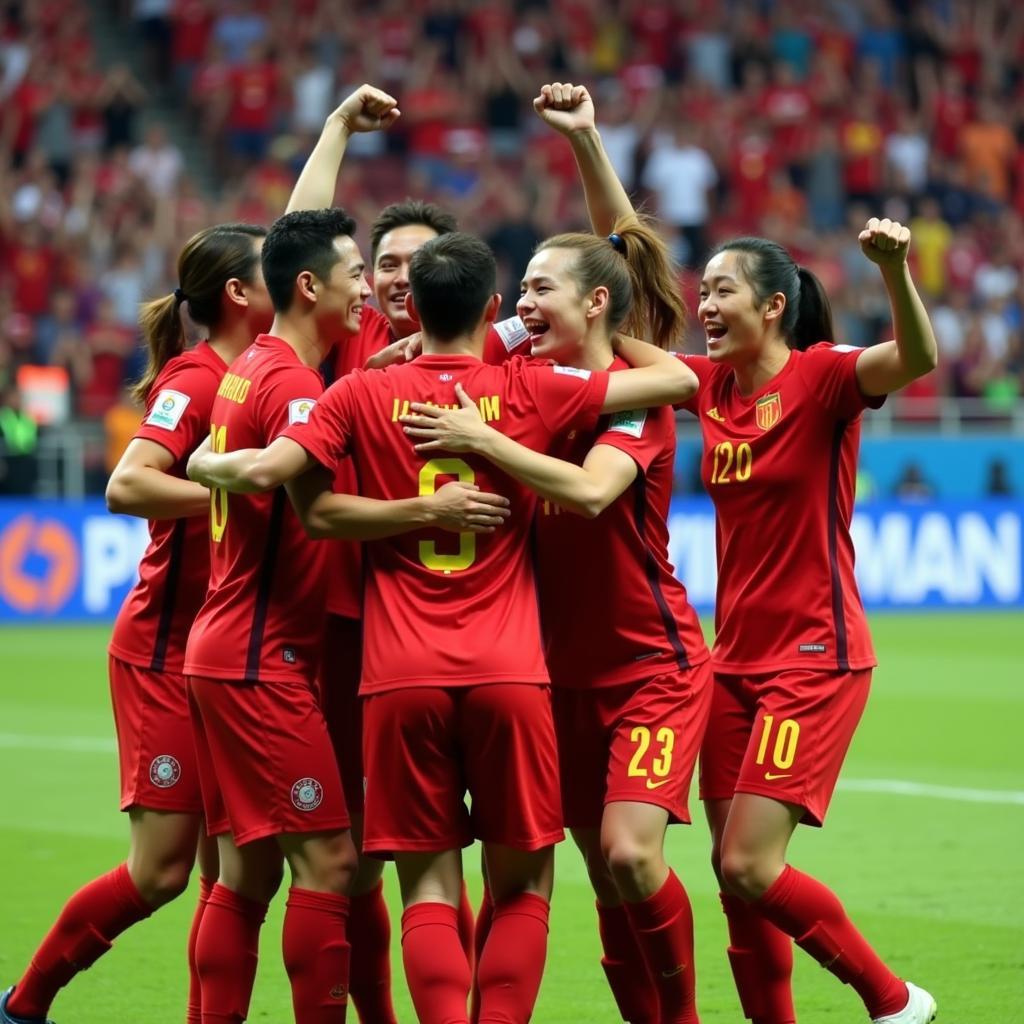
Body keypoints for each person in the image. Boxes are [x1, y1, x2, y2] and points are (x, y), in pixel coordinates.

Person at [186, 230, 698, 1024]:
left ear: (407, 312)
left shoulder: (354, 394)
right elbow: (673, 381)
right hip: (511, 670)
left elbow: (307, 506)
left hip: (396, 677)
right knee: (521, 885)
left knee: (425, 885)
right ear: (495, 309)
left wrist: (210, 465)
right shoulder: (530, 387)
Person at [399, 82, 714, 1024]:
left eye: (541, 288)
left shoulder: (636, 392)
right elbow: (483, 331)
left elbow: (585, 493)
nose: (524, 303)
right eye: (520, 289)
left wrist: (587, 142)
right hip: (553, 678)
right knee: (602, 875)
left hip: (650, 666)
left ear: (597, 303)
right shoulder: (524, 379)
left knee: (629, 854)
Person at [0, 221, 273, 1024]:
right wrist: (246, 491)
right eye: (272, 271)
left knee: (242, 873)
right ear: (237, 294)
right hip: (166, 652)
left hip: (233, 658)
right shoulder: (194, 379)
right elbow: (127, 486)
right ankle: (24, 1001)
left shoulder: (269, 372)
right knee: (162, 873)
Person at [682, 221, 939, 1024]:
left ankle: (895, 1003)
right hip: (733, 666)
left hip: (813, 658)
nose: (706, 304)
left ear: (775, 305)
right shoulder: (712, 387)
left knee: (751, 866)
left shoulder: (823, 378)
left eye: (724, 290)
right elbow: (611, 325)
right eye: (705, 290)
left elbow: (918, 358)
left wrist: (894, 271)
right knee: (732, 880)